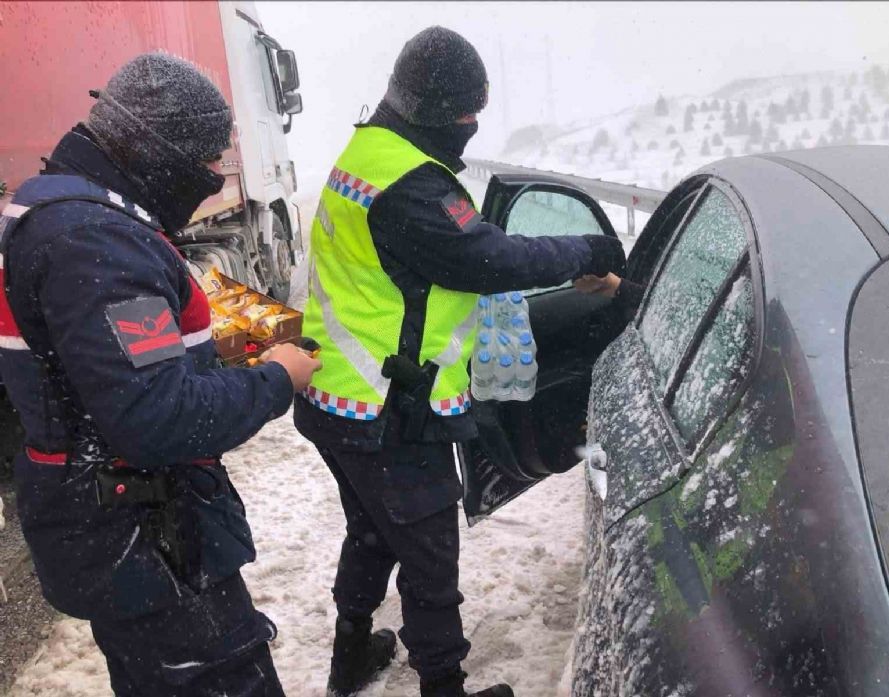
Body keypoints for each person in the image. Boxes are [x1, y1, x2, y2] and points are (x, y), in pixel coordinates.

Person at [294, 27, 627, 697]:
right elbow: (485, 258)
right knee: (428, 557)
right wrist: (588, 254)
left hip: (335, 395)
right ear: (435, 110)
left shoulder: (369, 152)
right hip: (391, 409)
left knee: (372, 531)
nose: (473, 124)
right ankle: (443, 687)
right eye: (467, 111)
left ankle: (350, 654)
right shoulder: (411, 186)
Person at [0, 53, 321, 696]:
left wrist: (237, 336)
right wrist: (277, 379)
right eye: (204, 165)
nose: (211, 179)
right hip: (149, 538)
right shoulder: (94, 237)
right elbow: (155, 416)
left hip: (127, 529)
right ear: (159, 154)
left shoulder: (70, 210)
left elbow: (100, 357)